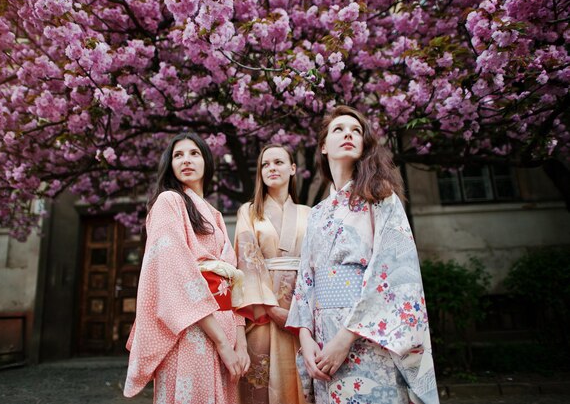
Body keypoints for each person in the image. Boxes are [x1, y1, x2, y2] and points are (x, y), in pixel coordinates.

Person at [286, 106, 439, 404]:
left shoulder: (381, 200)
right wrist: (307, 340)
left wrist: (345, 339)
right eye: (339, 130)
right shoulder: (317, 214)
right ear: (323, 146)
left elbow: (394, 273)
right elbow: (305, 281)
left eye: (356, 131)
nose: (348, 134)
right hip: (321, 340)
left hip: (367, 338)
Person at [124, 132, 250, 404]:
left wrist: (240, 343)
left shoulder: (214, 214)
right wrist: (221, 342)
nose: (186, 160)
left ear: (206, 160)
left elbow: (234, 280)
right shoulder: (168, 202)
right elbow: (175, 272)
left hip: (224, 325)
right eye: (178, 155)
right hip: (193, 327)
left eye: (194, 153)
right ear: (169, 165)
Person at [234, 144, 311, 404]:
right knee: (261, 385)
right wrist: (271, 308)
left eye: (278, 162)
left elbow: (316, 266)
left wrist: (299, 313)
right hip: (263, 313)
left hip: (301, 312)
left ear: (292, 168)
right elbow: (247, 262)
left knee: (301, 380)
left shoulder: (309, 214)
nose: (271, 168)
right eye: (265, 165)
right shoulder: (249, 212)